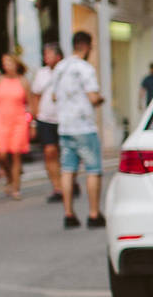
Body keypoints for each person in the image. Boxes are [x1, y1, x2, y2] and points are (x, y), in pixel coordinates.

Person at [51, 30, 106, 228]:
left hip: (65, 127)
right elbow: (93, 97)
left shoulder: (60, 68)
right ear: (86, 46)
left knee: (67, 171)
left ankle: (69, 214)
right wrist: (100, 99)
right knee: (93, 170)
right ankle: (93, 214)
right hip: (84, 126)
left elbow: (54, 97)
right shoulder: (85, 69)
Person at [0, 54, 32, 199]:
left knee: (15, 154)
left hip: (18, 121)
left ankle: (16, 188)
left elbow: (30, 104)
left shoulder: (23, 81)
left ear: (16, 64)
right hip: (2, 121)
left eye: (9, 62)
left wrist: (31, 123)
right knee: (2, 154)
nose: (6, 65)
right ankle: (9, 177)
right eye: (4, 63)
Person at [30, 42, 65, 202]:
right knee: (49, 152)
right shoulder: (41, 73)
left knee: (65, 154)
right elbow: (35, 94)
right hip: (45, 119)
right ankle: (57, 187)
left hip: (64, 119)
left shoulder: (65, 71)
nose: (46, 57)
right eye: (45, 54)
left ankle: (69, 182)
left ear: (58, 56)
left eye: (49, 54)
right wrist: (35, 117)